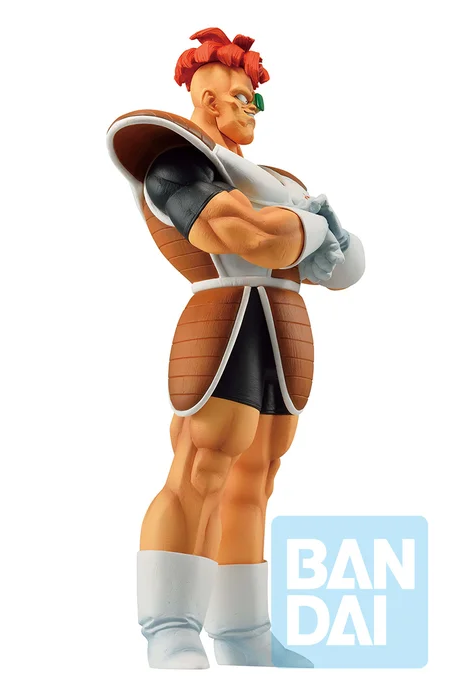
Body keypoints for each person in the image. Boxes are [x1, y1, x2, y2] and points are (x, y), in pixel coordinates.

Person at [106, 27, 365, 669]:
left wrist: (300, 231)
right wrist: (308, 226)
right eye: (244, 98)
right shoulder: (177, 160)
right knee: (202, 465)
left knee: (260, 475)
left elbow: (343, 268)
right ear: (207, 99)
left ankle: (244, 632)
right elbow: (244, 236)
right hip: (224, 318)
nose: (253, 110)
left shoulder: (276, 181)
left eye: (257, 99)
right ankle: (170, 626)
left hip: (282, 325)